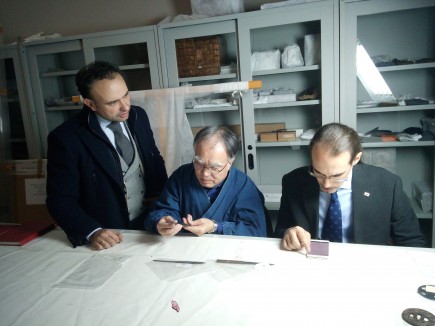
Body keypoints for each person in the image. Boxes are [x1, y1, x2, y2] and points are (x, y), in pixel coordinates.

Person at [46, 61, 168, 250]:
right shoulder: (66, 138)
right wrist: (92, 231)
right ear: (90, 104)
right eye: (113, 102)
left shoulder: (139, 115)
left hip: (149, 225)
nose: (125, 106)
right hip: (108, 235)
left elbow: (154, 159)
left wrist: (164, 202)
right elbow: (59, 200)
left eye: (126, 95)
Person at [274, 122, 426, 251]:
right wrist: (288, 233)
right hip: (311, 261)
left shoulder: (387, 184)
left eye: (336, 176)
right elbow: (280, 231)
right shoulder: (293, 182)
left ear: (356, 159)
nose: (326, 184)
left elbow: (412, 242)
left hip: (365, 266)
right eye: (318, 173)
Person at [146, 126, 270, 237]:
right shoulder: (181, 177)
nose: (205, 173)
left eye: (214, 168)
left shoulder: (244, 186)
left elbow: (255, 230)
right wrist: (162, 221)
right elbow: (161, 210)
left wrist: (215, 227)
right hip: (185, 250)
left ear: (230, 162)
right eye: (199, 163)